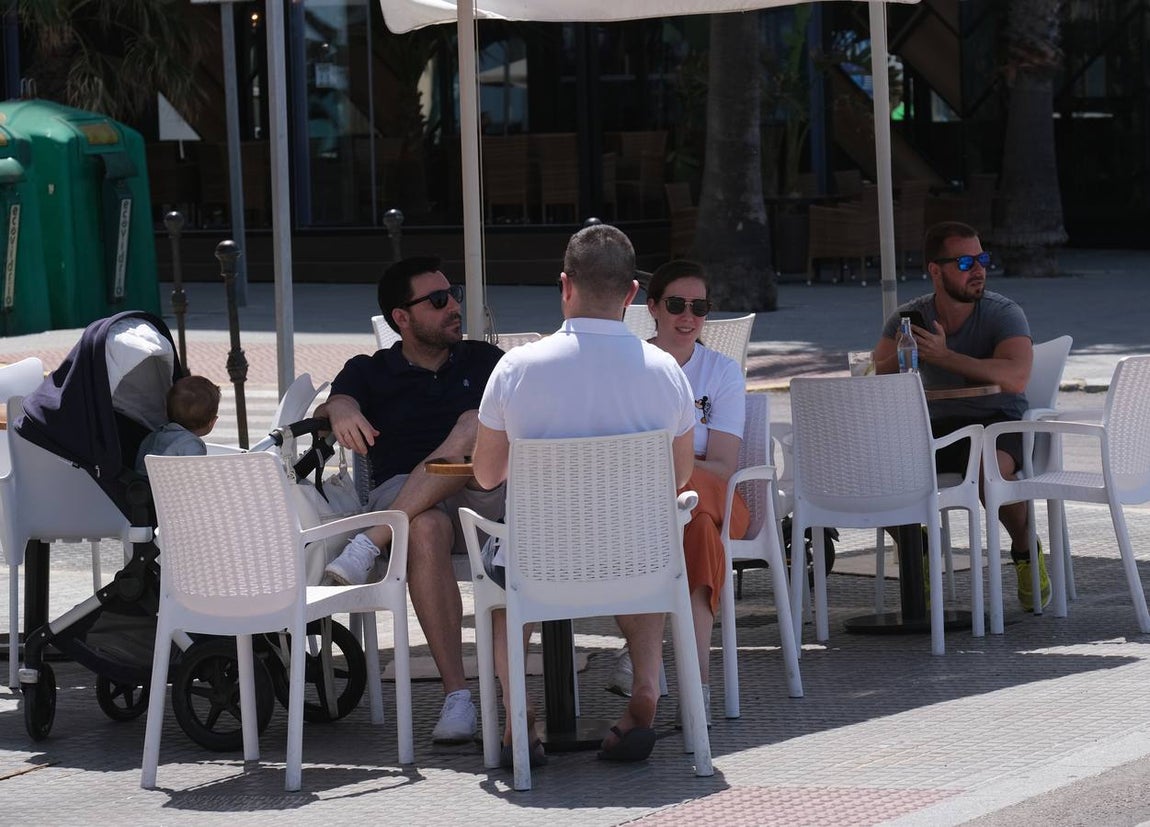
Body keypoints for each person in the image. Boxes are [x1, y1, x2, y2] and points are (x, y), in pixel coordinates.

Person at [471, 224, 696, 767]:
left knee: (504, 587)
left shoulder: (517, 367)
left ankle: (518, 714)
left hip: (540, 562)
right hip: (636, 559)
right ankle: (646, 686)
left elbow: (486, 474)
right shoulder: (666, 370)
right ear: (633, 295)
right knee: (648, 557)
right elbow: (680, 475)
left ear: (565, 285)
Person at [317, 255, 506, 744]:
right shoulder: (370, 370)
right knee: (424, 527)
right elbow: (336, 401)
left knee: (472, 423)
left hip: (479, 496)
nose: (454, 307)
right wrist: (340, 407)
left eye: (453, 295)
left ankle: (369, 542)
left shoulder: (484, 360)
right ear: (401, 317)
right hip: (406, 498)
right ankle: (457, 696)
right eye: (439, 300)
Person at [872, 220, 1047, 611]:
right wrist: (905, 356)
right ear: (936, 271)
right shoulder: (908, 319)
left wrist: (945, 356)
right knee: (872, 472)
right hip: (932, 426)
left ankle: (1024, 547)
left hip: (995, 421)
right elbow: (872, 377)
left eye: (982, 259)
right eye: (966, 263)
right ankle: (917, 546)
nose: (979, 270)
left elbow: (1016, 377)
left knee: (988, 470)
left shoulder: (1003, 313)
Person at [605, 260, 750, 720]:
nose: (688, 317)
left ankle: (642, 657)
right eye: (676, 305)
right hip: (659, 506)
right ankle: (697, 685)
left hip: (712, 495)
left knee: (687, 508)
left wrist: (666, 468)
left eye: (699, 307)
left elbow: (723, 467)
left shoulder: (722, 372)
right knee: (698, 530)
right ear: (652, 308)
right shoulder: (628, 366)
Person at [135, 375, 220, 473]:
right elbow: (196, 477)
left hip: (142, 482)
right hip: (170, 483)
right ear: (211, 422)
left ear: (167, 412)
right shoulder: (192, 445)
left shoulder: (153, 436)